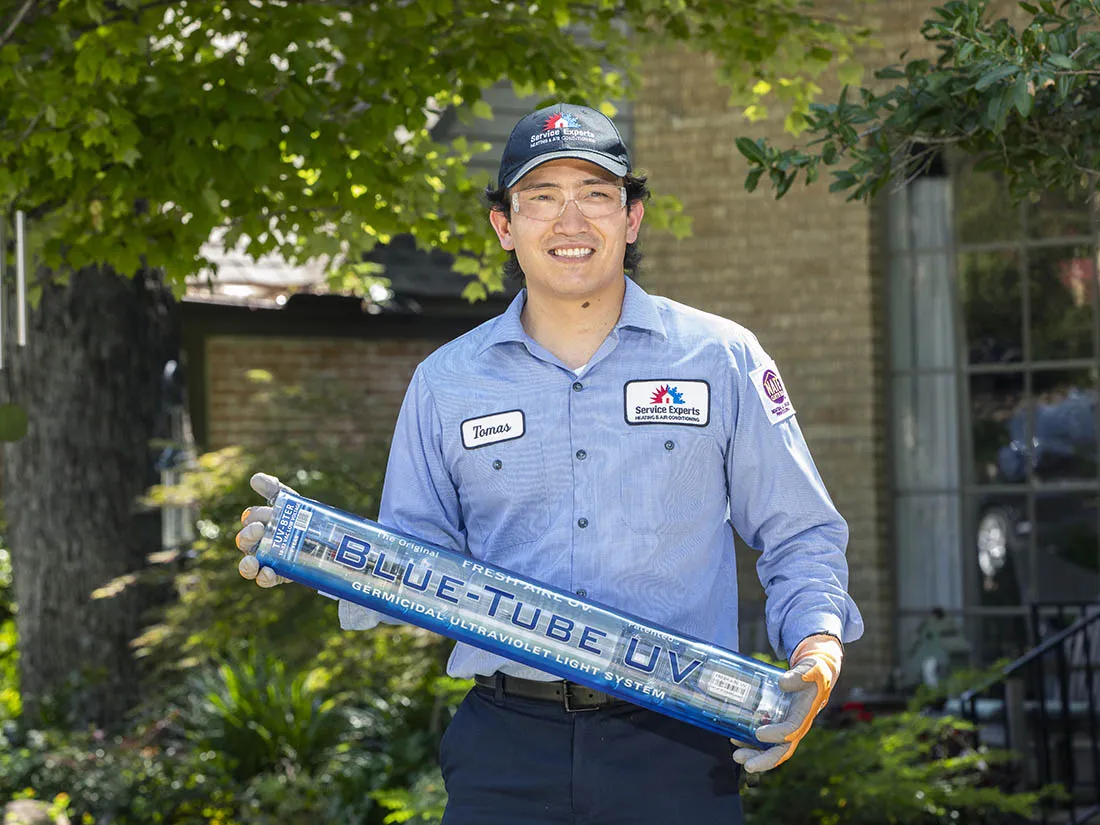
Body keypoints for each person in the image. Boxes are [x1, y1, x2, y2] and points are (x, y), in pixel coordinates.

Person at [235, 102, 864, 824]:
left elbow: (801, 533)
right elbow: (413, 565)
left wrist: (816, 650)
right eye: (542, 198)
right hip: (506, 748)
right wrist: (312, 551)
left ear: (632, 218)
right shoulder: (447, 382)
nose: (571, 222)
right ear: (504, 225)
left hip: (677, 746)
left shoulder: (720, 360)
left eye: (596, 194)